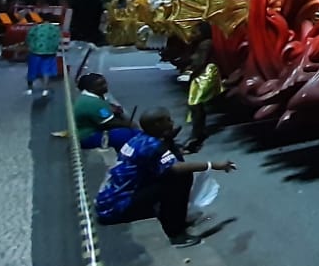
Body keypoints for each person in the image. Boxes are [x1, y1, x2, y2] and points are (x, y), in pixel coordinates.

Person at [95, 107, 236, 248]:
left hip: (111, 201)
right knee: (178, 179)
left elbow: (172, 159)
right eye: (168, 120)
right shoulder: (153, 145)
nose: (172, 122)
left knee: (172, 177)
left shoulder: (140, 138)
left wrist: (170, 141)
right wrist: (213, 165)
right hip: (116, 207)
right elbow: (175, 167)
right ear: (157, 125)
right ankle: (175, 233)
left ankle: (173, 219)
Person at [74, 73, 139, 150]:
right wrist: (129, 124)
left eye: (105, 83)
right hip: (88, 136)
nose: (105, 86)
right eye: (100, 85)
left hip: (88, 131)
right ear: (91, 89)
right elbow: (109, 122)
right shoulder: (93, 103)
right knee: (130, 135)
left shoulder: (90, 97)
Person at [184, 23, 220, 152]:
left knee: (195, 103)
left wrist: (190, 68)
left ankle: (196, 135)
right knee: (196, 105)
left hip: (205, 74)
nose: (193, 34)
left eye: (196, 32)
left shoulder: (206, 44)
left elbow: (200, 62)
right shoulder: (202, 43)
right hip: (202, 74)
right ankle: (198, 132)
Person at [25, 19, 63, 96]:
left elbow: (28, 38)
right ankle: (45, 90)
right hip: (50, 53)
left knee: (32, 70)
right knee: (46, 71)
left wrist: (29, 47)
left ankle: (30, 89)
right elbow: (58, 40)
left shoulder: (35, 28)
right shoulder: (55, 29)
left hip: (35, 52)